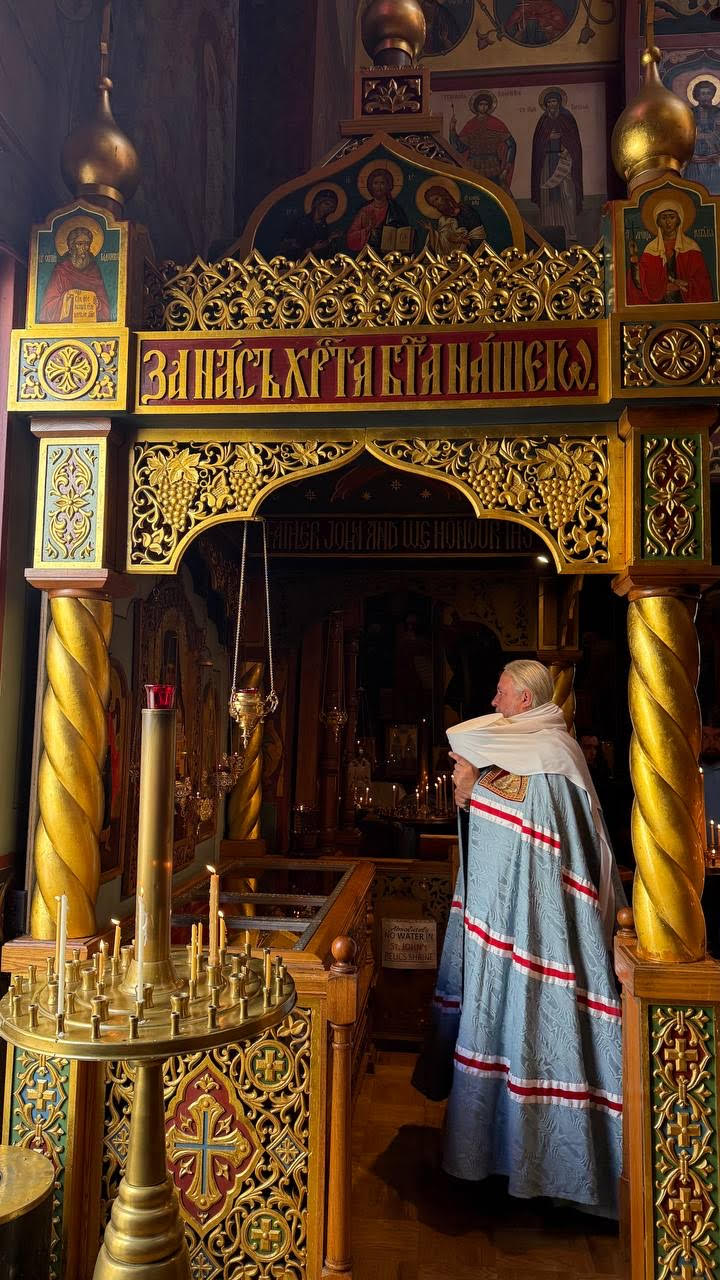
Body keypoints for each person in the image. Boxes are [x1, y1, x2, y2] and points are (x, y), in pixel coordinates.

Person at [413, 660, 624, 1216]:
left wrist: (474, 791)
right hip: (504, 928)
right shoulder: (520, 748)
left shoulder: (552, 753)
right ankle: (489, 1159)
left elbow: (540, 826)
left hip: (546, 932)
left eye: (501, 692)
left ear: (526, 700)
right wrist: (474, 792)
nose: (494, 699)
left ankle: (555, 1172)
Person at [626, 200, 714, 304]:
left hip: (685, 304)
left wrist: (685, 284)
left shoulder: (691, 247)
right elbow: (641, 282)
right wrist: (633, 256)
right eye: (664, 218)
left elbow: (703, 281)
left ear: (678, 220)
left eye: (672, 217)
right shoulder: (651, 248)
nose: (668, 222)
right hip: (658, 306)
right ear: (658, 222)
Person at [531, 89, 583, 246]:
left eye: (554, 101)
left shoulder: (567, 118)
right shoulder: (542, 121)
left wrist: (567, 150)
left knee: (567, 194)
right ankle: (549, 231)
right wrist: (548, 138)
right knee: (547, 197)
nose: (551, 105)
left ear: (559, 103)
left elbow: (574, 141)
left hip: (563, 162)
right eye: (548, 102)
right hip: (547, 162)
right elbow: (537, 144)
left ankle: (570, 232)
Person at [39, 224, 112, 322]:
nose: (84, 248)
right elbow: (47, 307)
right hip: (64, 327)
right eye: (80, 244)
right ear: (72, 246)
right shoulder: (61, 270)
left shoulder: (94, 270)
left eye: (87, 244)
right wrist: (66, 297)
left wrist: (98, 304)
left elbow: (105, 308)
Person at [449, 93, 516, 191]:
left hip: (493, 166)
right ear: (476, 106)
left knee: (496, 193)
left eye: (486, 104)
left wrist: (506, 168)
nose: (483, 107)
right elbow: (459, 148)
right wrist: (452, 129)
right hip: (474, 166)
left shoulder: (496, 123)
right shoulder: (470, 125)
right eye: (481, 104)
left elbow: (512, 144)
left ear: (489, 106)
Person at [346, 169, 409, 253]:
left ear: (388, 186)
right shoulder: (364, 211)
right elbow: (351, 237)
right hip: (368, 254)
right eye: (375, 183)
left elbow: (404, 233)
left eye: (382, 183)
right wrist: (368, 229)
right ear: (370, 186)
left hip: (391, 254)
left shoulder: (395, 209)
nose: (379, 187)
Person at [422, 184, 486, 253]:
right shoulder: (443, 220)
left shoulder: (466, 210)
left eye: (436, 199)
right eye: (433, 203)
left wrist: (464, 241)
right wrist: (431, 230)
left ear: (444, 196)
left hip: (474, 252)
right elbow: (440, 245)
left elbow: (478, 234)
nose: (436, 204)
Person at [281, 189, 342, 259]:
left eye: (331, 207)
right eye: (326, 204)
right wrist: (312, 249)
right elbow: (288, 246)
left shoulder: (324, 227)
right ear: (317, 203)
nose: (328, 208)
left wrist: (330, 240)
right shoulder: (301, 222)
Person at [686, 80, 720, 193]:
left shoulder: (718, 112)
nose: (705, 97)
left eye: (708, 93)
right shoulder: (689, 113)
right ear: (697, 96)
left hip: (715, 162)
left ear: (713, 95)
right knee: (693, 192)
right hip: (694, 161)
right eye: (702, 93)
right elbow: (684, 133)